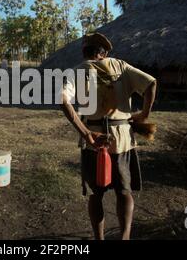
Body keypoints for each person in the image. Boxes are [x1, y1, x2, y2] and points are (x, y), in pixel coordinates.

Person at [61, 32, 157, 240]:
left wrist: (86, 133)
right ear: (103, 53)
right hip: (121, 139)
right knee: (124, 191)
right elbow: (151, 84)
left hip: (93, 143)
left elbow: (63, 100)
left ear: (85, 52)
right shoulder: (120, 66)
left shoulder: (76, 71)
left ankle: (99, 239)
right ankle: (125, 237)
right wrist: (143, 115)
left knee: (96, 194)